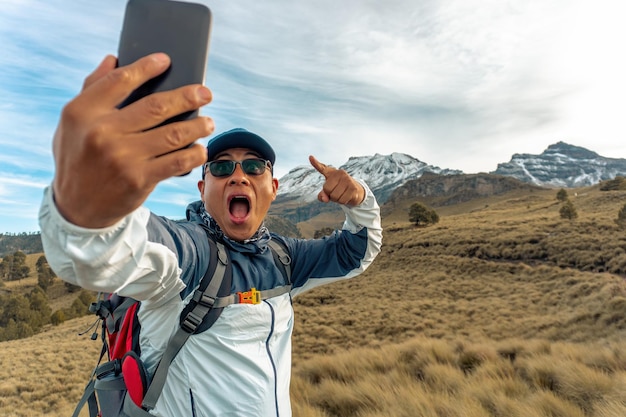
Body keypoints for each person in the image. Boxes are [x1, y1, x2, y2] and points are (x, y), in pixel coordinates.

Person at [39, 53, 382, 416]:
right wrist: (86, 199)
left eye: (253, 166)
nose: (238, 176)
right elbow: (101, 251)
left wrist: (359, 200)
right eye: (221, 167)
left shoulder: (285, 259)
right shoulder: (191, 255)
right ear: (203, 188)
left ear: (274, 187)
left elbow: (353, 253)